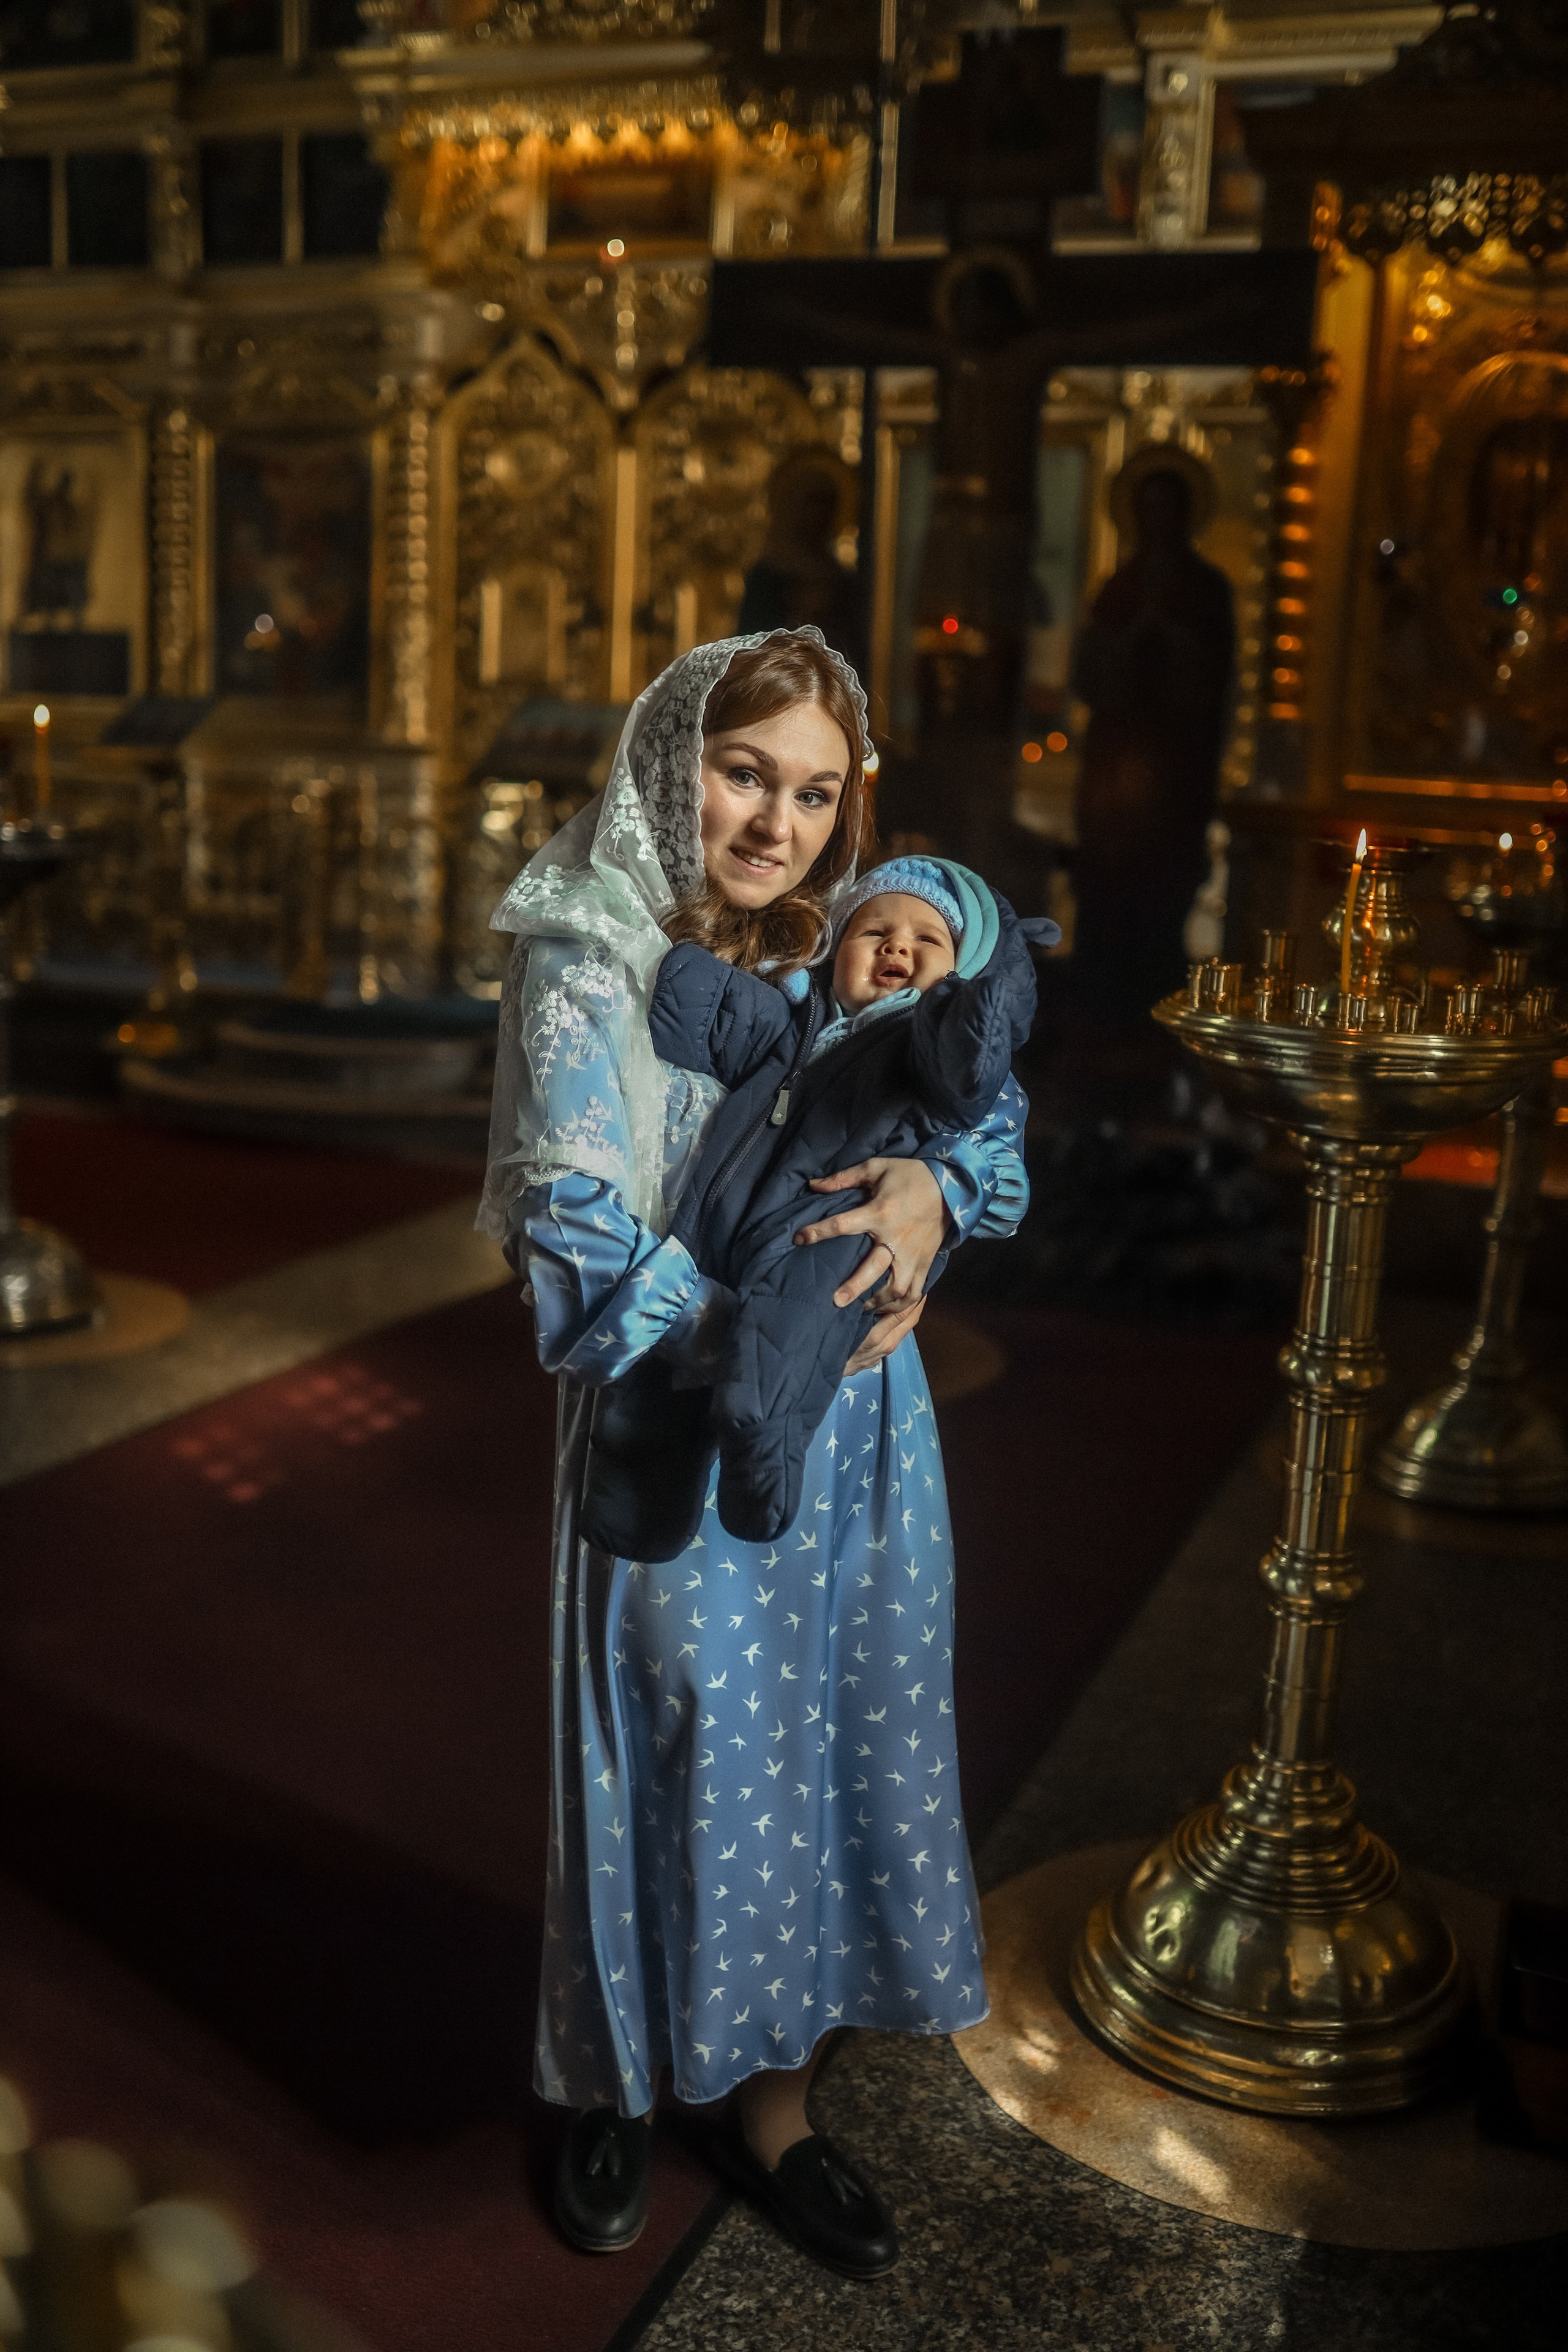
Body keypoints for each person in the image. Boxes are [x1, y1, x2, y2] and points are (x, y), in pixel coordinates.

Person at [478, 628, 1029, 2280]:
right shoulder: (588, 949)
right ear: (673, 761)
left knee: (829, 1736)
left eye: (813, 791)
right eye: (743, 775)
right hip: (670, 1416)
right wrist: (755, 1339)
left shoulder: (856, 935)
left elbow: (977, 1117)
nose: (777, 822)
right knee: (666, 1736)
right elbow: (575, 1238)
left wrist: (940, 1199)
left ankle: (777, 2101)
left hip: (864, 1438)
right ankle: (616, 2082)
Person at [611, 857, 1052, 1553]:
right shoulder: (800, 1016)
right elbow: (716, 1015)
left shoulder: (930, 1051)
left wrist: (970, 1023)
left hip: (843, 1226)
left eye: (926, 941)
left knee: (799, 1314)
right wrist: (671, 968)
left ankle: (769, 1438)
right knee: (655, 1395)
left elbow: (996, 1161)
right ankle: (636, 1514)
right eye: (872, 930)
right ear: (831, 949)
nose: (896, 946)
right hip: (725, 1225)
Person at [1069, 453, 1235, 1023]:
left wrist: (1174, 637)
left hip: (1175, 767)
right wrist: (1132, 637)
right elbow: (1090, 676)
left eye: (1169, 510)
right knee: (1109, 898)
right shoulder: (1119, 588)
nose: (1158, 521)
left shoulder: (1207, 590)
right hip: (1115, 767)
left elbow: (1211, 680)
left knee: (1162, 901)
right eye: (1149, 510)